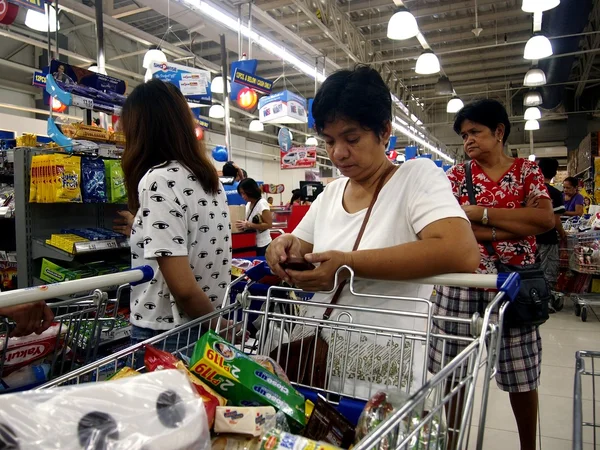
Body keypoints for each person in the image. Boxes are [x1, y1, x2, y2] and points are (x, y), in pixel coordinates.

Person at [266, 65, 480, 396]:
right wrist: (280, 247)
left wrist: (347, 263)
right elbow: (299, 246)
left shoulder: (416, 178)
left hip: (383, 376)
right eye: (329, 140)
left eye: (351, 138)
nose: (338, 152)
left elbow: (461, 251)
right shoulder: (331, 194)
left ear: (384, 131)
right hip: (316, 366)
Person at [428, 99, 554, 450]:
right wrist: (514, 225)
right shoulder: (454, 176)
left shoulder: (527, 172)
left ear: (499, 132)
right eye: (464, 134)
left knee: (522, 373)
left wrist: (481, 214)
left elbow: (544, 221)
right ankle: (451, 443)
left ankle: (529, 445)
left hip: (515, 285)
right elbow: (451, 228)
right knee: (454, 374)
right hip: (463, 282)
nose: (468, 140)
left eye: (475, 132)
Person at [120, 79, 231, 348]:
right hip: (205, 325)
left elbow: (182, 287)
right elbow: (194, 239)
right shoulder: (209, 181)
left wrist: (221, 326)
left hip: (167, 332)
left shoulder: (157, 179)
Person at [536, 159, 566, 299]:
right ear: (554, 173)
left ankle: (531, 297)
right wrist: (563, 234)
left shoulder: (531, 190)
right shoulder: (554, 193)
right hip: (548, 238)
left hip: (529, 238)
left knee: (530, 270)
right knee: (548, 270)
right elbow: (555, 220)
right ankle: (545, 300)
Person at [236, 178, 273, 257]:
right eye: (241, 194)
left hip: (263, 244)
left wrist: (249, 225)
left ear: (250, 191)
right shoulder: (248, 204)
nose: (242, 196)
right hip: (252, 242)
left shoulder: (262, 203)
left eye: (244, 193)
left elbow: (269, 224)